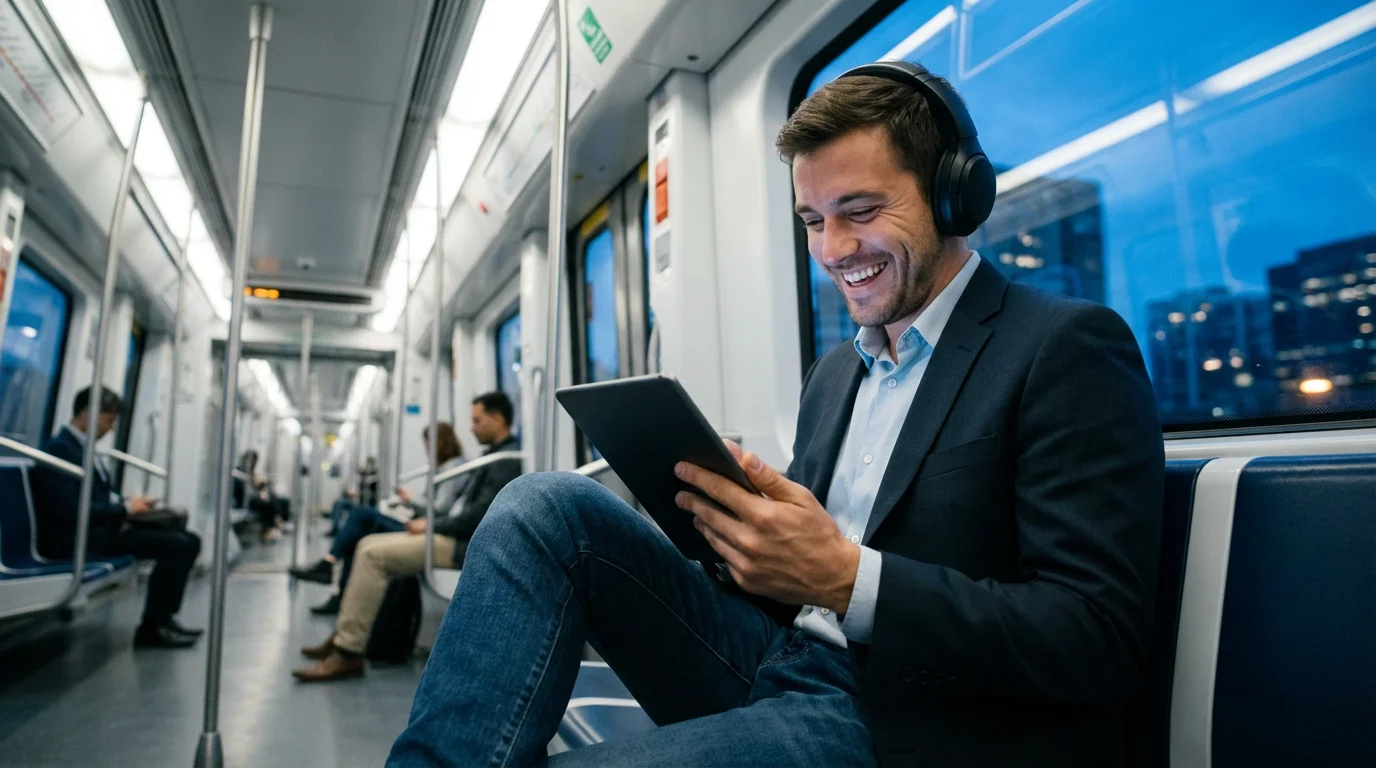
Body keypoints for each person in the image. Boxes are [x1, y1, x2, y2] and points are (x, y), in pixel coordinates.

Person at [387, 63, 1164, 766]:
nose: (833, 248)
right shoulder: (835, 374)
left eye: (860, 210)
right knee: (541, 506)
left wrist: (847, 579)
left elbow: (1095, 637)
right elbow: (791, 578)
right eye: (812, 221)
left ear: (955, 192)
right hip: (776, 656)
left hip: (901, 713)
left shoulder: (1062, 347)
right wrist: (736, 533)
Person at [293, 392, 522, 681]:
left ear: (498, 418)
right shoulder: (491, 458)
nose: (472, 427)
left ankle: (349, 651)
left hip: (467, 545)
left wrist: (431, 525)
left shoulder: (507, 461)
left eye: (477, 420)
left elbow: (477, 517)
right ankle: (343, 636)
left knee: (372, 555)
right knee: (366, 544)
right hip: (454, 535)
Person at [30, 386, 205, 649]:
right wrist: (124, 509)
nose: (111, 429)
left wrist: (127, 504)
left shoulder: (84, 449)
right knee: (177, 545)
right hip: (76, 540)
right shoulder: (61, 450)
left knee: (190, 540)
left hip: (99, 531)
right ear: (88, 414)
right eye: (109, 420)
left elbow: (97, 498)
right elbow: (68, 510)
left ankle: (164, 619)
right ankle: (152, 627)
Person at [291, 423, 469, 616]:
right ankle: (336, 585)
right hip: (421, 521)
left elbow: (440, 508)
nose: (426, 448)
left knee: (361, 516)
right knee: (358, 527)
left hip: (427, 527)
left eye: (428, 443)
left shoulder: (453, 467)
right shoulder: (443, 467)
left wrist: (411, 498)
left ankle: (330, 569)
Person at [234, 450, 288, 543]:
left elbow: (257, 486)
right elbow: (245, 490)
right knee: (268, 505)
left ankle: (274, 526)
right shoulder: (240, 472)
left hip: (252, 498)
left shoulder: (251, 472)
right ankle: (275, 525)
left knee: (274, 499)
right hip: (245, 501)